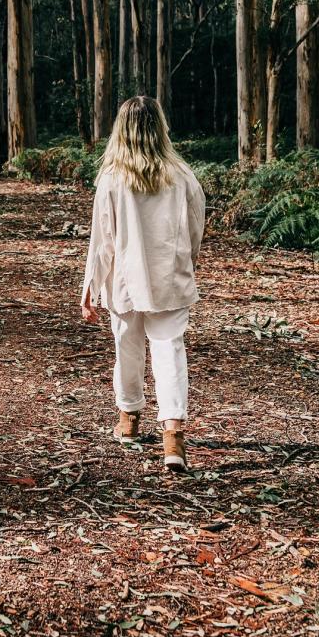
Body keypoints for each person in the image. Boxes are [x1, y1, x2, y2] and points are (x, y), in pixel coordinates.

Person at [80, 96, 205, 472]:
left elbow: (102, 240)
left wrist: (91, 286)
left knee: (128, 349)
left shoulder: (113, 178)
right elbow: (196, 226)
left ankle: (129, 419)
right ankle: (173, 437)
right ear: (159, 127)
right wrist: (187, 262)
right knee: (170, 352)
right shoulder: (181, 174)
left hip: (124, 281)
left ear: (121, 131)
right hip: (168, 278)